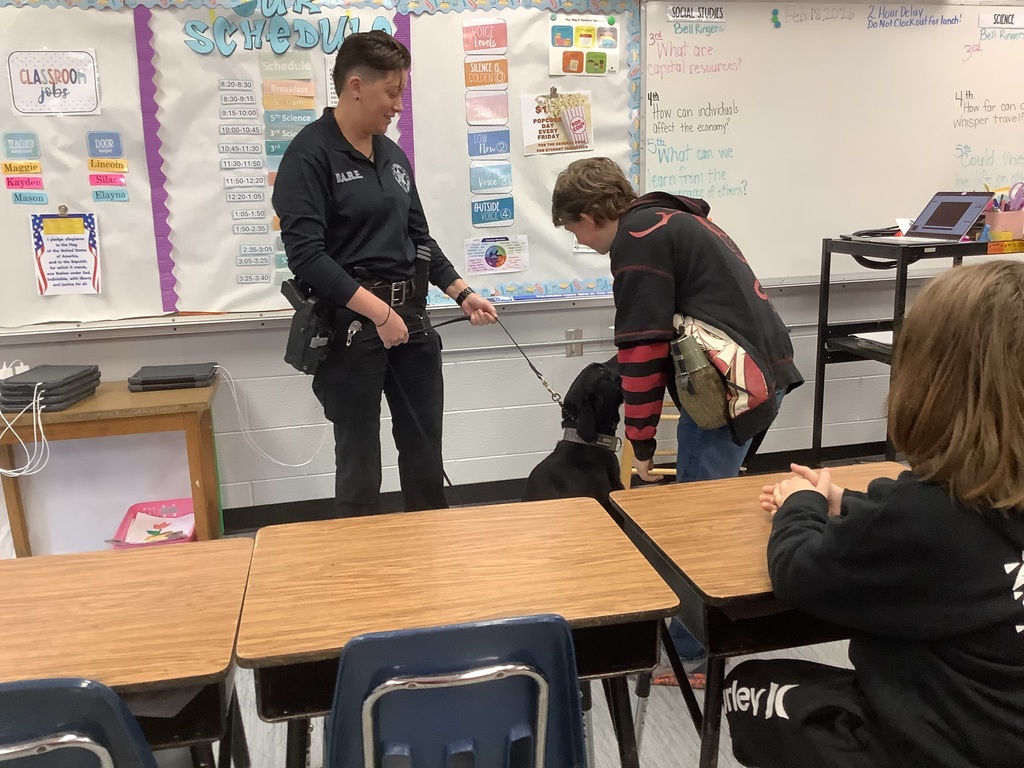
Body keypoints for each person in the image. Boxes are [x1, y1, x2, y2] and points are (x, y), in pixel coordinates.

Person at [726, 260, 1024, 768]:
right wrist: (843, 501)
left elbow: (799, 573)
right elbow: (947, 535)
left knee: (745, 690)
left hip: (951, 742)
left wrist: (801, 502)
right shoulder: (954, 505)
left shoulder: (926, 514)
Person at [551, 157, 803, 683]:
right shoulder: (669, 219)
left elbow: (641, 355)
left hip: (730, 391)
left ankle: (697, 654)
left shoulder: (636, 240)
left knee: (695, 523)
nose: (581, 241)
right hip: (756, 378)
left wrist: (640, 447)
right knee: (707, 507)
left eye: (575, 229)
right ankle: (703, 637)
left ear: (590, 214)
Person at [273, 31, 497, 517]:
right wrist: (378, 313)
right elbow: (307, 257)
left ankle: (429, 554)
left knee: (423, 446)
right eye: (391, 93)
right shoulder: (308, 156)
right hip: (352, 325)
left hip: (412, 319)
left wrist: (461, 291)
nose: (397, 105)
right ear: (356, 86)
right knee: (359, 458)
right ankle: (359, 574)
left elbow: (418, 236)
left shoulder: (393, 156)